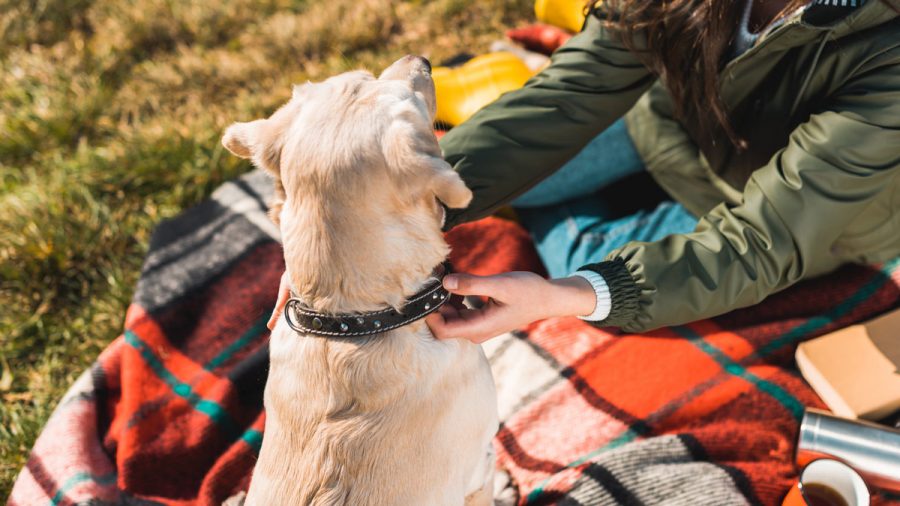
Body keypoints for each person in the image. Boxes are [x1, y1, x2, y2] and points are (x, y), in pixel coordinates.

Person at [270, 0, 900, 343]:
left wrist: (565, 296)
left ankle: (568, 218)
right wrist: (374, 212)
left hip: (788, 209)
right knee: (456, 176)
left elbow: (763, 242)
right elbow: (567, 98)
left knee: (593, 280)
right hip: (669, 122)